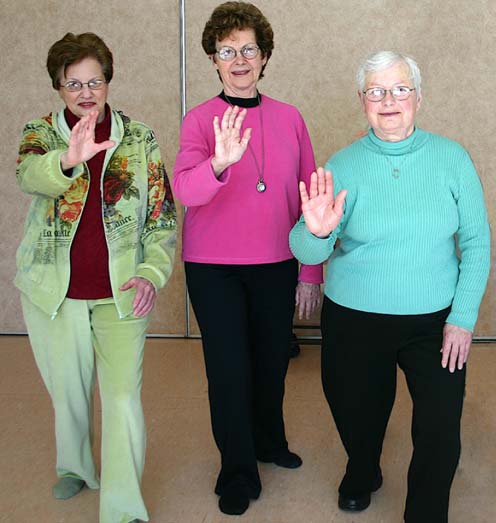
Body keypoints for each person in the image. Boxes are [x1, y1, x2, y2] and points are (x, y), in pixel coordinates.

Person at [290, 51, 490, 523]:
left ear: (419, 97)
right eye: (376, 91)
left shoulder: (452, 158)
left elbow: (478, 245)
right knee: (357, 414)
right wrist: (317, 231)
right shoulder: (343, 164)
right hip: (355, 318)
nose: (389, 101)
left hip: (434, 321)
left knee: (441, 431)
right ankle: (363, 470)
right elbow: (306, 250)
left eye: (400, 89)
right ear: (362, 101)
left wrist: (461, 319)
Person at [15, 32, 176, 523]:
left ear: (108, 82)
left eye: (95, 81)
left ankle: (124, 509)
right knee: (68, 389)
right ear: (58, 87)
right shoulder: (40, 133)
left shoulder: (139, 138)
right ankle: (76, 467)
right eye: (73, 84)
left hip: (121, 293)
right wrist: (69, 158)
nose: (86, 93)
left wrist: (151, 272)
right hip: (53, 292)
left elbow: (163, 216)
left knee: (123, 396)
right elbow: (28, 175)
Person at [173, 1, 322, 516]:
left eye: (248, 49)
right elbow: (185, 191)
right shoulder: (199, 120)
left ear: (264, 56)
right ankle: (236, 470)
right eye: (227, 50)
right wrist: (219, 161)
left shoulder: (289, 118)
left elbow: (311, 200)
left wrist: (310, 270)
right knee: (230, 369)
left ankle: (268, 442)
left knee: (272, 362)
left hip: (276, 263)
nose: (239, 59)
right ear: (214, 59)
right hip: (213, 268)